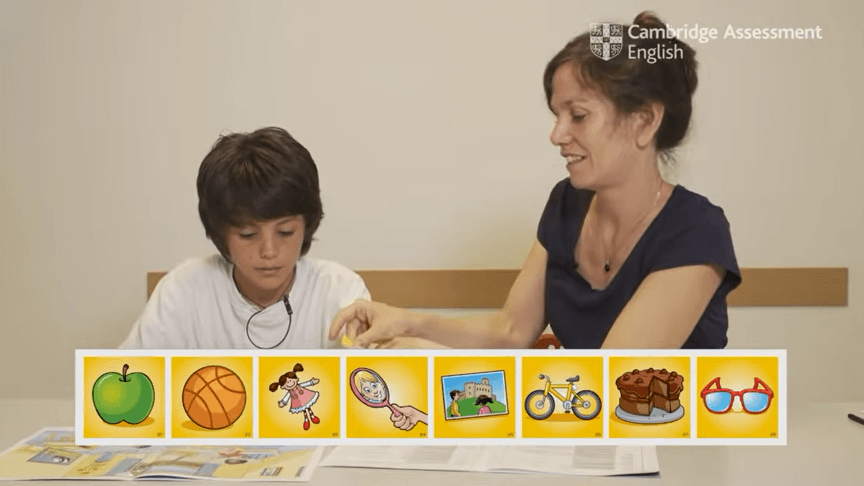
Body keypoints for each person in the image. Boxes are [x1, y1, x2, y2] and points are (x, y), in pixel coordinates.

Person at [330, 12, 740, 350]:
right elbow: (511, 331)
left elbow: (615, 376)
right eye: (556, 116)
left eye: (577, 115)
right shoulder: (566, 203)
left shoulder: (696, 229)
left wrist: (427, 353)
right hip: (576, 419)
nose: (557, 135)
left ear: (645, 121)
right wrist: (407, 323)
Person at [120, 127, 369, 349]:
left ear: (306, 226)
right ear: (220, 232)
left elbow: (368, 379)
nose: (269, 251)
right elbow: (128, 373)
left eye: (285, 232)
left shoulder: (339, 292)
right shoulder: (183, 292)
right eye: (248, 235)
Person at [270, 363, 321, 431]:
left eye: (290, 381)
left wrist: (312, 382)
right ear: (283, 387)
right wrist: (283, 402)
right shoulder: (289, 392)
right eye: (287, 383)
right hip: (297, 402)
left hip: (305, 396)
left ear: (296, 379)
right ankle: (306, 419)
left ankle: (312, 416)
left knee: (308, 407)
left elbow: (306, 384)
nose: (290, 383)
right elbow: (286, 398)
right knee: (304, 410)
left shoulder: (299, 386)